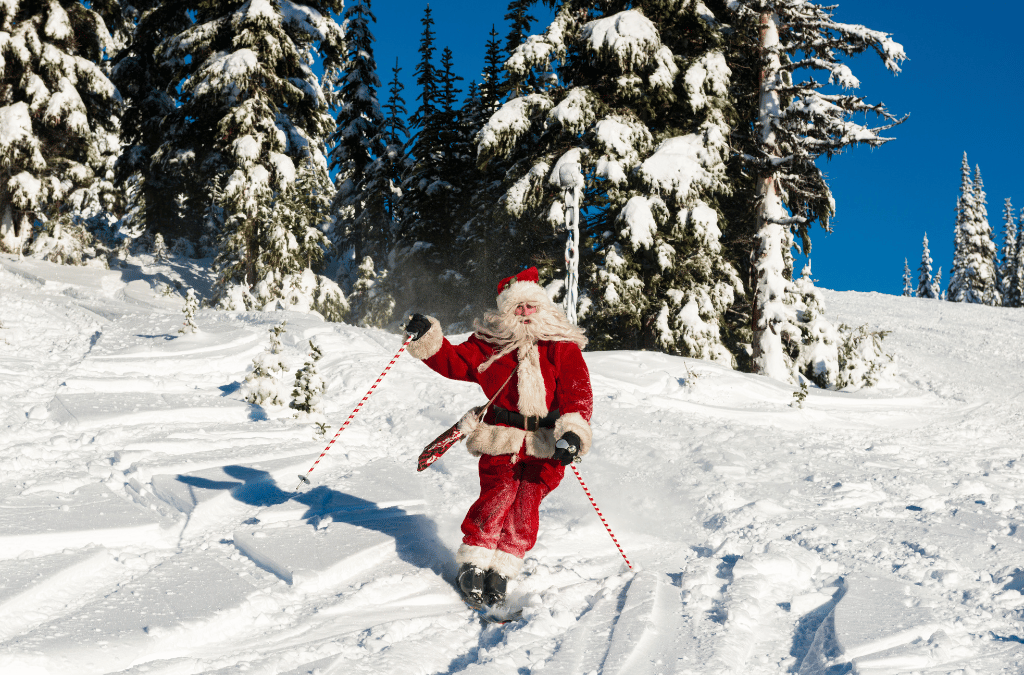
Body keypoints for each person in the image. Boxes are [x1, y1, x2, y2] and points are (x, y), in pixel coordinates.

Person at [404, 267, 593, 606]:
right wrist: (426, 336)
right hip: (501, 435)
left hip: (546, 442)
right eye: (517, 307)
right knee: (498, 494)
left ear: (542, 308)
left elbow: (578, 393)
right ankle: (474, 562)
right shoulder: (491, 344)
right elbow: (453, 360)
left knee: (526, 503)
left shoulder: (563, 348)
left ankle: (503, 567)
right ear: (507, 310)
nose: (524, 313)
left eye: (530, 306)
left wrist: (574, 434)